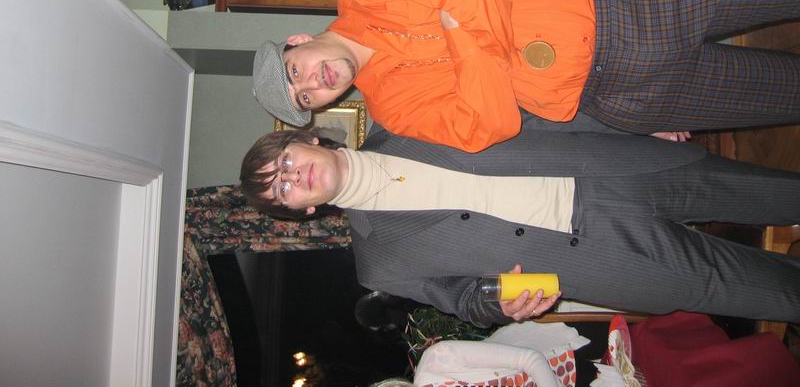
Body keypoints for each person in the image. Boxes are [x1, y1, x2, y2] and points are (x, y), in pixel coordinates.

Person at [252, 0, 800, 151]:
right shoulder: (394, 108)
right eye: (307, 97)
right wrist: (461, 32)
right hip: (623, 96)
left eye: (296, 70)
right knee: (789, 94)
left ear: (298, 40)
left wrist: (481, 67)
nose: (314, 83)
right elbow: (490, 126)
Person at [238, 119, 800, 327]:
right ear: (303, 211)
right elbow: (462, 300)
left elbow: (531, 110)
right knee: (773, 293)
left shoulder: (403, 116)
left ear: (307, 140)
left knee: (781, 194)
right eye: (282, 190)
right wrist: (498, 305)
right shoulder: (378, 265)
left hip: (619, 169)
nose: (293, 177)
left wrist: (633, 125)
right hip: (606, 258)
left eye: (284, 163)